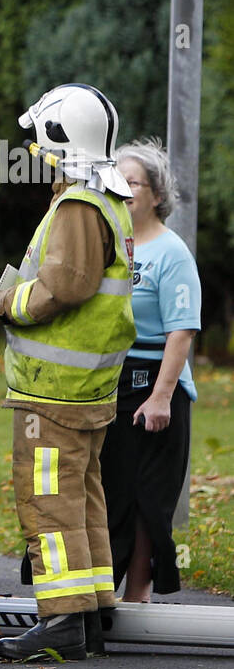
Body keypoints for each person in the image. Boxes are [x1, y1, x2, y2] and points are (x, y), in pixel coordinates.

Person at [0, 83, 135, 662]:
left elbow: (64, 286)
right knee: (83, 497)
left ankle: (62, 620)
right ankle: (91, 610)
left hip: (53, 393)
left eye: (41, 147)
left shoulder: (77, 206)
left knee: (48, 501)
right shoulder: (109, 201)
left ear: (61, 142)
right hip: (87, 389)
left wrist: (6, 304)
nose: (36, 159)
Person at [100, 139, 200, 602]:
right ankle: (94, 596)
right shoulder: (108, 243)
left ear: (157, 195)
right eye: (116, 179)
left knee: (146, 499)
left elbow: (181, 332)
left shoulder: (172, 253)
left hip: (156, 386)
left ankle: (136, 598)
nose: (122, 188)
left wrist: (160, 396)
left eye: (132, 181)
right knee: (111, 491)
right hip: (108, 385)